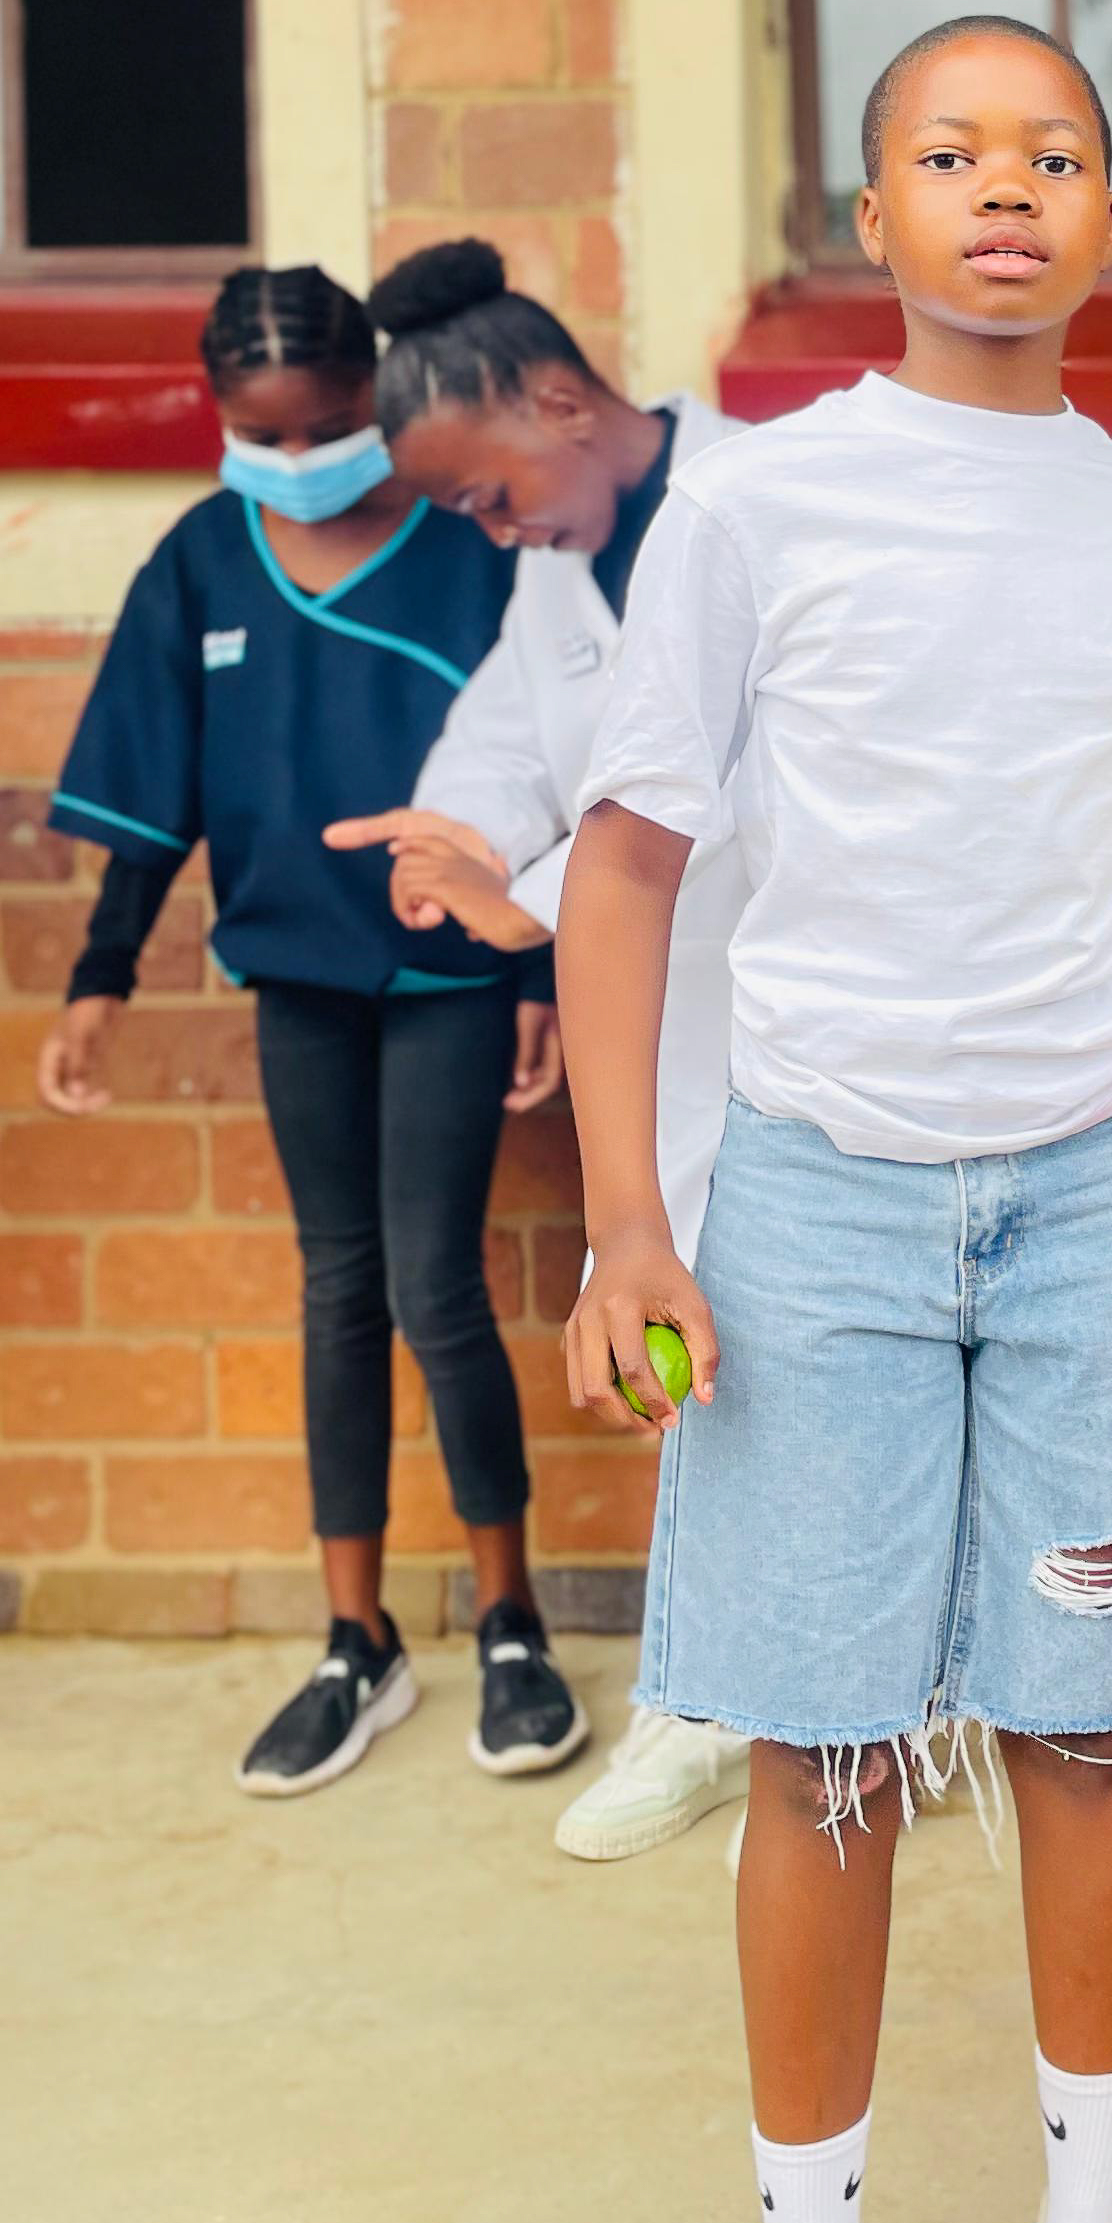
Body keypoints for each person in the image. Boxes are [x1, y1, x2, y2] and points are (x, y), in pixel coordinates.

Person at [555, 12, 1112, 2223]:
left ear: (1106, 216)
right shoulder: (759, 506)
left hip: (1098, 1204)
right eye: (951, 152)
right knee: (828, 1744)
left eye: (1053, 152)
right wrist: (631, 1225)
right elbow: (628, 866)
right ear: (871, 216)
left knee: (1095, 1721)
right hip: (824, 1213)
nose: (1005, 188)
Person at [36, 264, 577, 1795]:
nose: (292, 458)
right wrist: (99, 977)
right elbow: (151, 785)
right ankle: (357, 1642)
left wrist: (538, 978)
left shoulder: (468, 544)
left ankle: (512, 1624)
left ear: (377, 400)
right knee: (336, 1291)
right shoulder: (203, 559)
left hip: (448, 979)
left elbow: (550, 771)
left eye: (324, 428)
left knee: (435, 1287)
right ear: (221, 417)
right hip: (296, 979)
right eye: (259, 434)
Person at [320, 239, 753, 1865]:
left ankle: (830, 1715)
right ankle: (709, 1703)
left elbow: (757, 789)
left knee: (822, 1363)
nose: (493, 531)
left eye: (489, 496)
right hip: (668, 1035)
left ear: (561, 402)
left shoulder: (763, 501)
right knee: (682, 1352)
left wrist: (541, 902)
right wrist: (463, 833)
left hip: (818, 1014)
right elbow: (512, 728)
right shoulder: (559, 565)